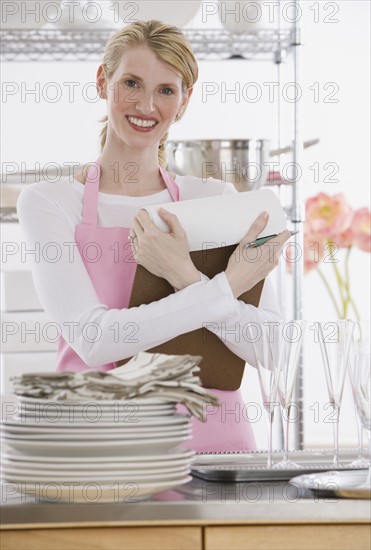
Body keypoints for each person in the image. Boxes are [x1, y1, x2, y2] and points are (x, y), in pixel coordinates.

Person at [17, 20, 291, 452]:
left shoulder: (214, 198)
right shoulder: (50, 202)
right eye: (131, 83)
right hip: (104, 453)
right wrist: (228, 287)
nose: (146, 104)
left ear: (184, 101)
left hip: (215, 451)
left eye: (166, 89)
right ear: (103, 81)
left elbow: (274, 350)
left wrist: (185, 275)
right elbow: (96, 339)